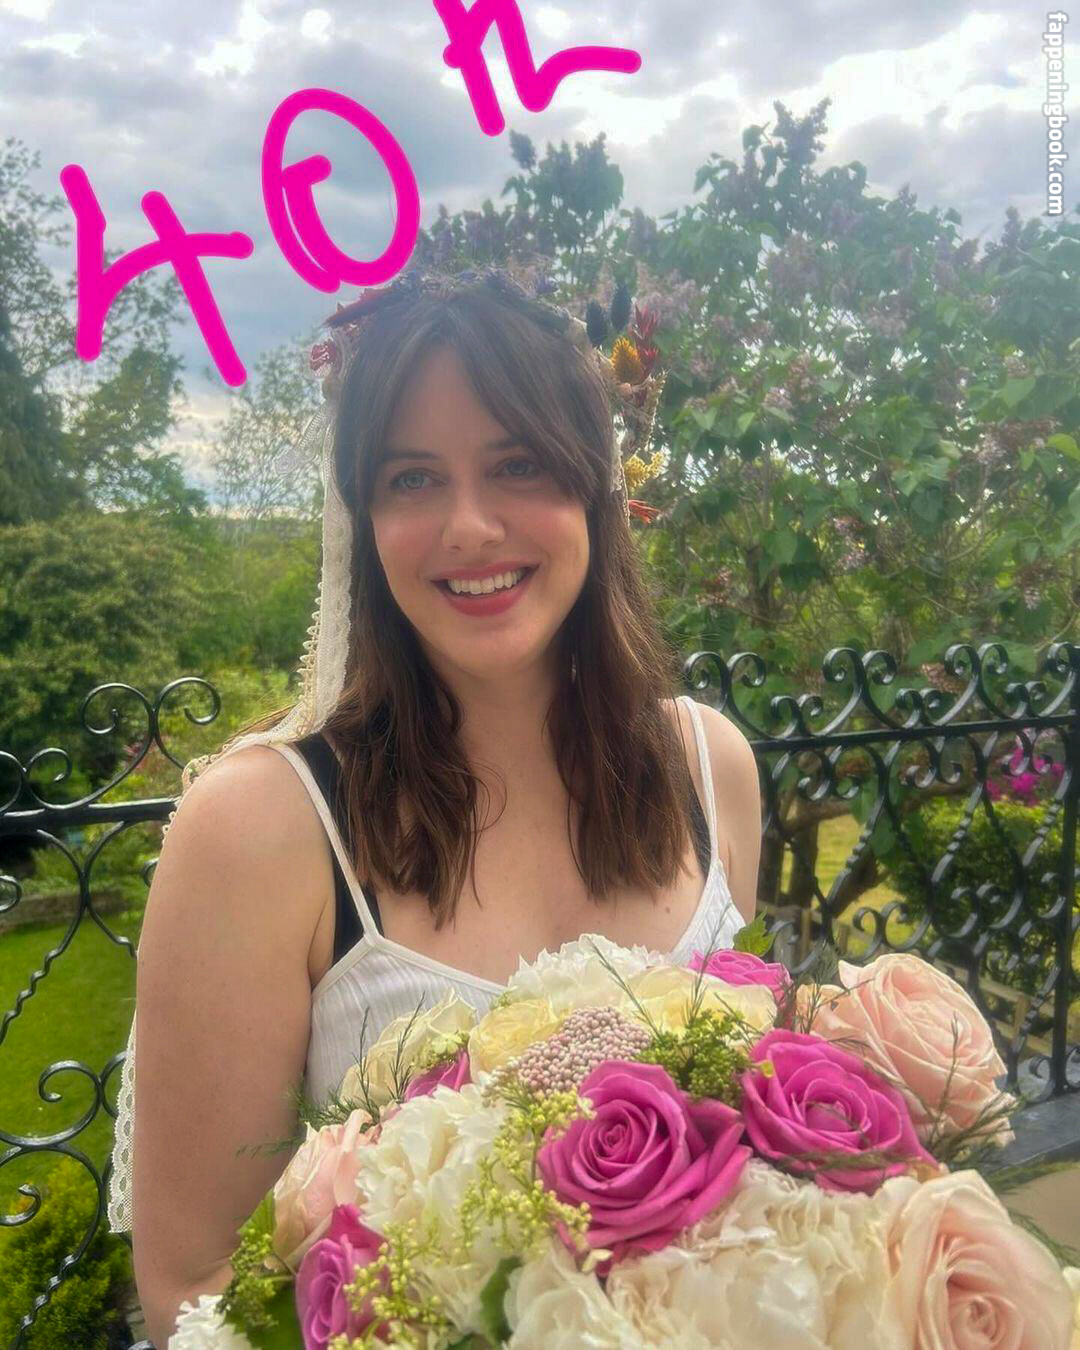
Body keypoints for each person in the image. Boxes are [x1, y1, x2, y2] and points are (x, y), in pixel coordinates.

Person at [114, 265, 762, 1346]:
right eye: (412, 479)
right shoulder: (261, 832)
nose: (468, 526)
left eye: (517, 463)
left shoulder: (710, 769)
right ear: (361, 518)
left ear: (595, 485)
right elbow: (192, 1284)